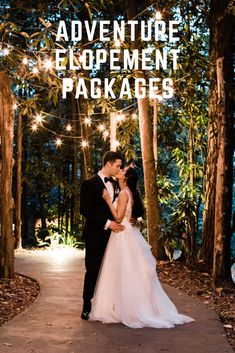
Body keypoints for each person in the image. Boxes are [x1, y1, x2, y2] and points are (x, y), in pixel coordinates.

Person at [89, 167, 194, 328]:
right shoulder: (128, 192)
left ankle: (125, 307)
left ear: (126, 178)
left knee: (123, 271)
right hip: (128, 232)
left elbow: (117, 217)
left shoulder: (124, 193)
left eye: (122, 170)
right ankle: (124, 304)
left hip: (122, 234)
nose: (120, 170)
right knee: (128, 271)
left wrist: (108, 201)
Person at [80, 151, 125, 320]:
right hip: (95, 234)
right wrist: (108, 223)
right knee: (92, 269)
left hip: (114, 238)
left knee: (111, 271)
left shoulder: (117, 184)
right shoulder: (89, 183)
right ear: (108, 164)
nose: (119, 168)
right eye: (117, 165)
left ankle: (108, 306)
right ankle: (87, 306)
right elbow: (85, 210)